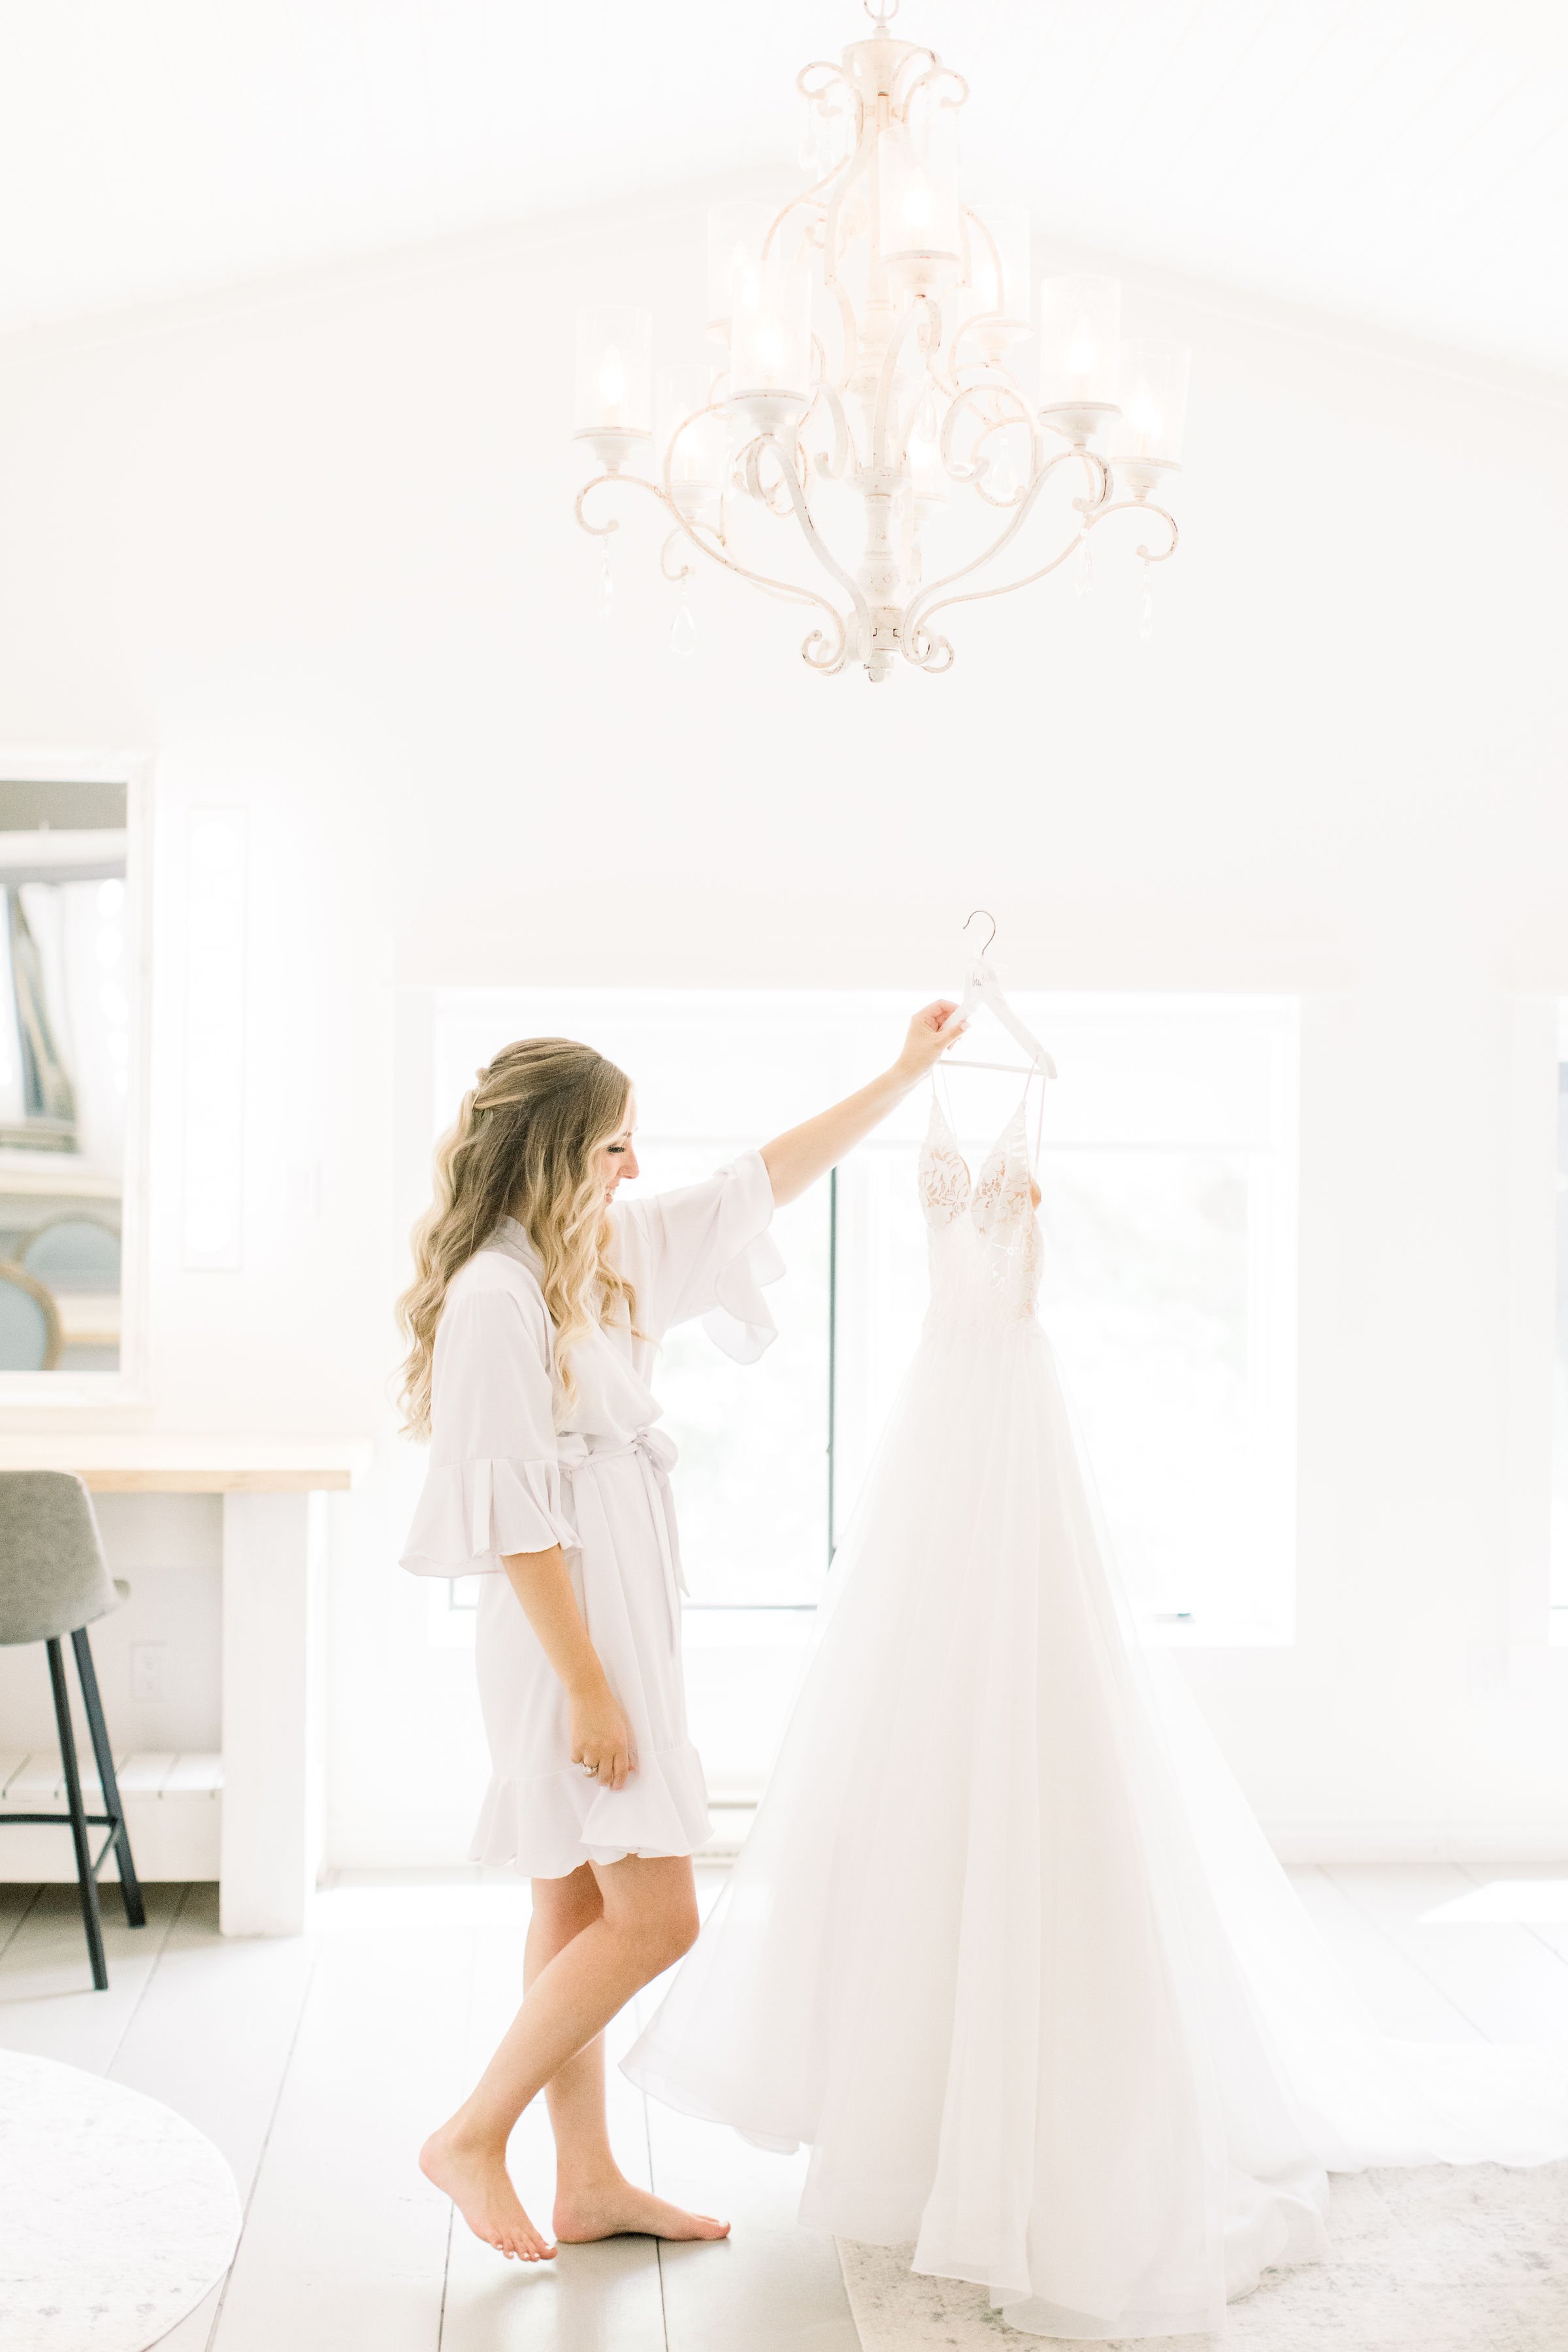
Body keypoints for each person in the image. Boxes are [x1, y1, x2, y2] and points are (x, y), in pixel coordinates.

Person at [395, 1007, 966, 2263]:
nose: (633, 1170)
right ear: (551, 1154)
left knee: (573, 1894)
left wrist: (903, 1073)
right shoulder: (498, 1295)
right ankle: (472, 2134)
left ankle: (586, 2179)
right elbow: (519, 1529)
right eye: (612, 1149)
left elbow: (759, 1179)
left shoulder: (594, 1249)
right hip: (564, 1633)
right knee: (658, 1915)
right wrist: (592, 1690)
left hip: (611, 1608)